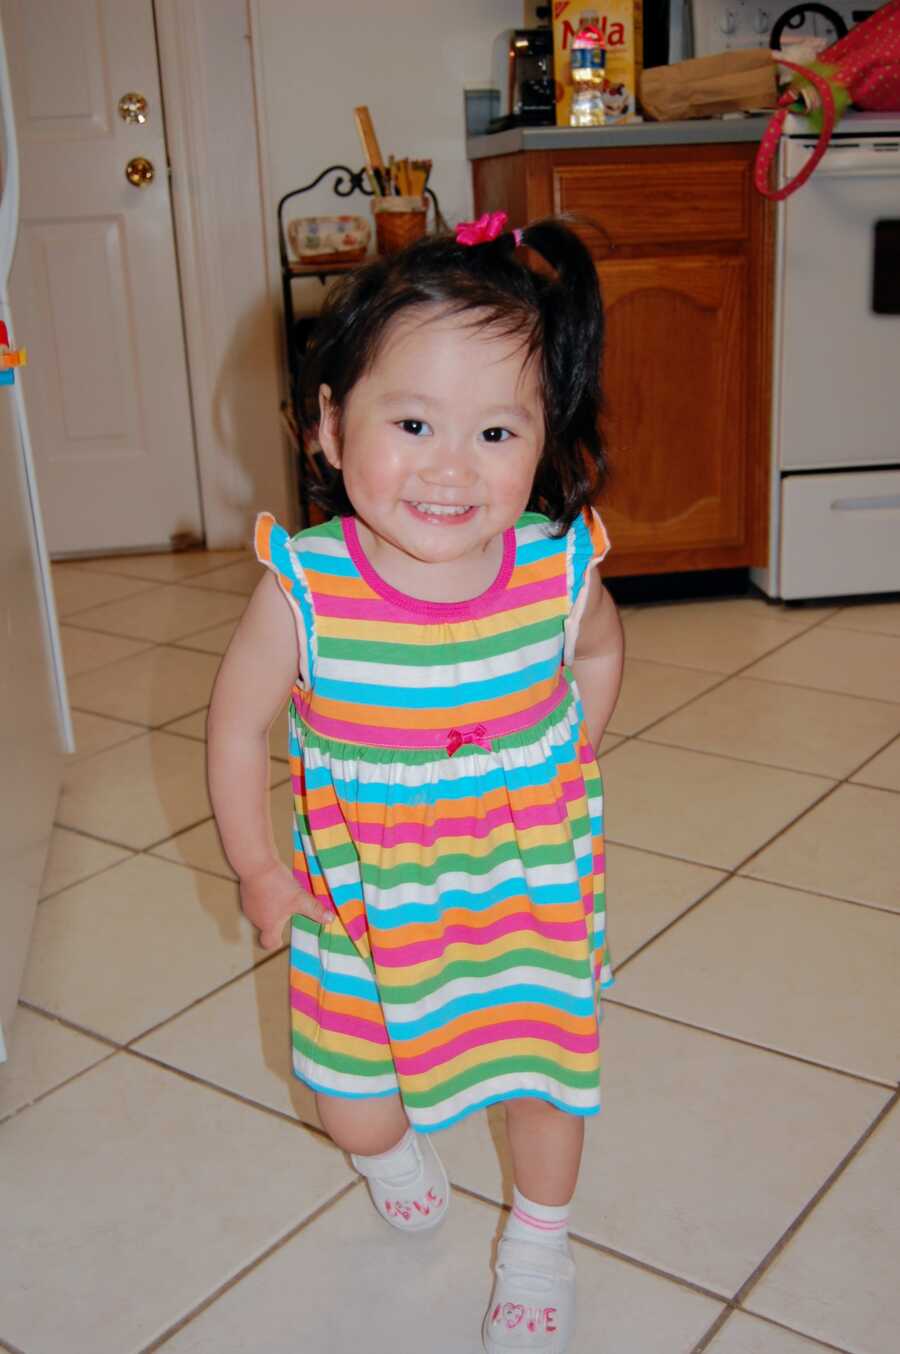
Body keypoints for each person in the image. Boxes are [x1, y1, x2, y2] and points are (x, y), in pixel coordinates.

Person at [207, 212, 624, 1353]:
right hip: (360, 904)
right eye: (411, 422)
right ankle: (390, 1152)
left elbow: (595, 656)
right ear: (331, 429)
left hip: (524, 887)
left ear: (545, 442)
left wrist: (562, 755)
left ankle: (540, 1240)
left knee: (545, 1072)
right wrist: (257, 862)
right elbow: (241, 730)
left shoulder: (557, 570)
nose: (452, 466)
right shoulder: (304, 592)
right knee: (350, 1090)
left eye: (496, 429)